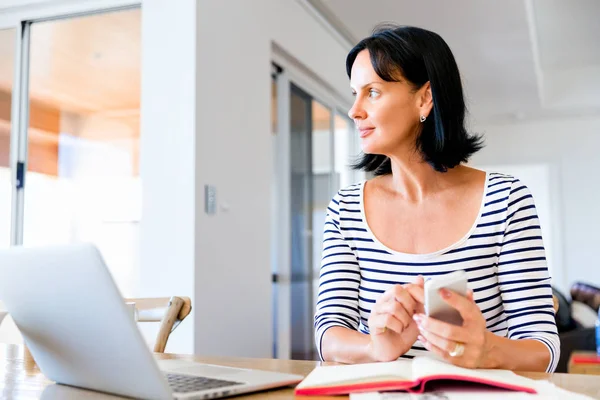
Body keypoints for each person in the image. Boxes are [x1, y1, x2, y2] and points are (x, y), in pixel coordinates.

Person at [313, 25, 559, 373]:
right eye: (354, 93)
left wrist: (486, 350)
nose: (354, 110)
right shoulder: (346, 210)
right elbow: (327, 335)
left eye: (373, 92)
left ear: (424, 98)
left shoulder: (506, 200)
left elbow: (542, 346)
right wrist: (375, 346)